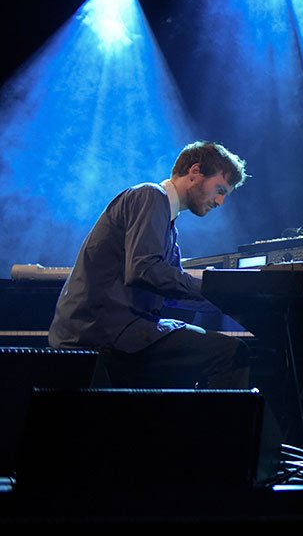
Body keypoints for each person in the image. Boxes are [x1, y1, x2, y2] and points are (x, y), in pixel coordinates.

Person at [48, 140, 250, 389]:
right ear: (195, 172)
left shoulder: (168, 225)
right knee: (230, 352)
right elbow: (146, 270)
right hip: (102, 331)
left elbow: (171, 292)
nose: (220, 202)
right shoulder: (150, 196)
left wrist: (230, 303)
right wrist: (216, 290)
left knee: (204, 353)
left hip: (118, 330)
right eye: (219, 189)